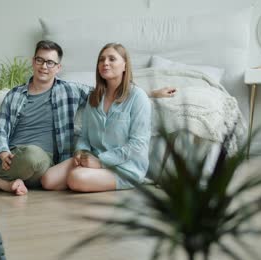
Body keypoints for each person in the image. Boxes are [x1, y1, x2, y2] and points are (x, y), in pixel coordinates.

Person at [0, 40, 175, 195]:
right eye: (40, 60)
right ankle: (1, 183)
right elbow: (1, 131)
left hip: (37, 157)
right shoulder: (14, 95)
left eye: (50, 62)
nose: (44, 66)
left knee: (33, 157)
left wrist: (151, 93)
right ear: (33, 62)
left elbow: (126, 97)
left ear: (58, 67)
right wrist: (2, 151)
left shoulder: (71, 90)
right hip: (10, 157)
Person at [40, 43, 175, 192]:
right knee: (48, 180)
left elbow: (138, 145)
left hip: (125, 168)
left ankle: (92, 178)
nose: (105, 63)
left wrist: (101, 162)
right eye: (101, 60)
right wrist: (80, 152)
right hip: (93, 159)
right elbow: (84, 136)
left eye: (112, 59)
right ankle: (88, 176)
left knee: (76, 177)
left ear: (125, 65)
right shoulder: (94, 98)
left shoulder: (138, 98)